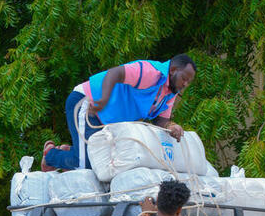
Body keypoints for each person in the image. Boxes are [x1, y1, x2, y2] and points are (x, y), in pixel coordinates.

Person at [42, 55, 197, 172]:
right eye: (184, 78)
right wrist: (103, 99)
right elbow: (114, 73)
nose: (185, 84)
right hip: (88, 103)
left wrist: (171, 126)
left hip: (107, 120)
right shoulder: (150, 72)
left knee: (103, 163)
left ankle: (72, 151)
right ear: (173, 70)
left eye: (189, 82)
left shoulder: (170, 93)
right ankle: (50, 156)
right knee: (86, 164)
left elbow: (160, 120)